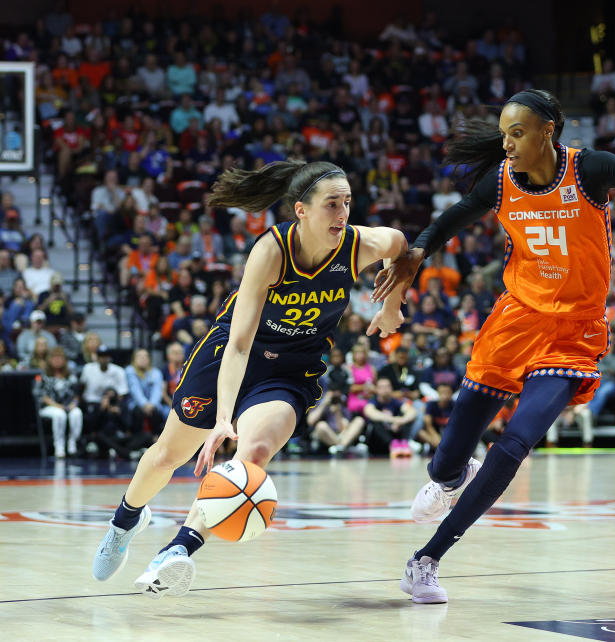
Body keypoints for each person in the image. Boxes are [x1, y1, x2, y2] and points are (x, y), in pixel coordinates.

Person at [370, 89, 615, 603]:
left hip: (573, 335)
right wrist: (419, 251)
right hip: (515, 321)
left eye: (517, 133)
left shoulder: (589, 170)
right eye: (504, 134)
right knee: (452, 451)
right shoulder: (499, 182)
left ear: (548, 132)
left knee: (516, 443)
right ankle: (449, 478)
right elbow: (452, 218)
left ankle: (425, 560)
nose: (508, 143)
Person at [92, 160, 407, 598]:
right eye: (332, 204)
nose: (343, 214)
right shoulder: (271, 251)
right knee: (166, 456)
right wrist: (223, 418)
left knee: (254, 451)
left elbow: (403, 246)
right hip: (234, 353)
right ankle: (125, 522)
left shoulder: (359, 245)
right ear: (301, 210)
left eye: (347, 203)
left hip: (291, 369)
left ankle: (177, 549)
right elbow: (239, 347)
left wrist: (391, 304)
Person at [35, 346, 83, 458]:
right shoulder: (43, 376)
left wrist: (73, 404)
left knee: (77, 413)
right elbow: (41, 396)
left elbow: (77, 395)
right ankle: (59, 446)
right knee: (59, 414)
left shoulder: (70, 375)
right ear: (50, 360)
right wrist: (57, 406)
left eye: (60, 358)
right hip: (49, 407)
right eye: (54, 358)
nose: (57, 361)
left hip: (68, 406)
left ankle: (72, 443)